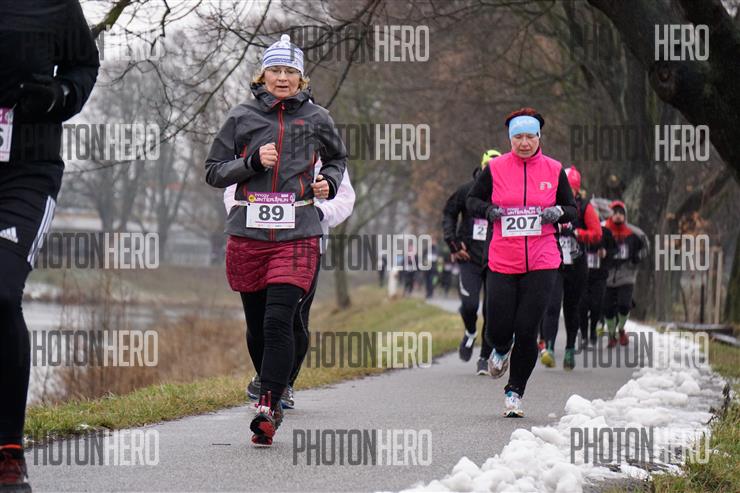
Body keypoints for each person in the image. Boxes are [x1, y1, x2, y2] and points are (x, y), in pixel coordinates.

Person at [205, 34, 347, 446]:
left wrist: (328, 182)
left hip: (298, 232)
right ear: (262, 75)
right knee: (257, 327)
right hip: (249, 234)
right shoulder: (241, 116)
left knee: (279, 318)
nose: (282, 78)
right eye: (275, 70)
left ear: (302, 78)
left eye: (290, 71)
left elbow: (337, 159)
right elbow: (213, 170)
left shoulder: (318, 118)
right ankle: (271, 385)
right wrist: (251, 162)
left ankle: (269, 405)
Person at [0, 1, 99, 489]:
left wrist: (59, 94)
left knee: (1, 293)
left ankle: (7, 451)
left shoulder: (54, 4)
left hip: (26, 171)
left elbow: (84, 64)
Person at [467, 108, 576, 417]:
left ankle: (514, 392)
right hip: (503, 259)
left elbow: (572, 208)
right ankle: (501, 348)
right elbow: (472, 200)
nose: (524, 143)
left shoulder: (554, 169)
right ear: (510, 139)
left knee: (527, 329)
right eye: (518, 137)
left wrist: (558, 212)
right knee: (499, 326)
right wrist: (489, 211)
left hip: (543, 259)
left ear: (539, 137)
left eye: (530, 136)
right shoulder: (496, 168)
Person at [224, 158, 355, 409]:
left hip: (303, 246)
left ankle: (283, 386)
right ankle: (266, 377)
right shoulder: (260, 150)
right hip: (256, 244)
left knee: (292, 318)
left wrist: (319, 212)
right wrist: (242, 214)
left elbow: (345, 199)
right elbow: (232, 191)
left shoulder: (323, 155)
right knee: (259, 320)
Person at [442, 149, 500, 375]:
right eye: (488, 169)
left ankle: (484, 357)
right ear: (482, 168)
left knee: (492, 311)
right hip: (470, 259)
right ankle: (470, 332)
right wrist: (454, 243)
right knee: (469, 305)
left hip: (497, 259)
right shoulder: (467, 190)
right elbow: (449, 213)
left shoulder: (506, 193)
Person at [538, 166, 601, 369]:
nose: (567, 191)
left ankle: (569, 349)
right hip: (555, 263)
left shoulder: (585, 207)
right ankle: (548, 348)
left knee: (572, 308)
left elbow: (597, 233)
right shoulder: (551, 203)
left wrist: (579, 233)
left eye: (571, 188)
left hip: (576, 265)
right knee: (552, 305)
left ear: (577, 189)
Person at [603, 201, 646, 348]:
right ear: (610, 215)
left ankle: (621, 329)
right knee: (608, 309)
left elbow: (646, 248)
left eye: (621, 213)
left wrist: (637, 257)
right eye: (615, 213)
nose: (618, 216)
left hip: (627, 274)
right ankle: (611, 335)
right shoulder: (603, 230)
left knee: (624, 305)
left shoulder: (635, 233)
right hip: (607, 275)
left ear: (625, 215)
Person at [579, 222, 617, 348]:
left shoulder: (605, 232)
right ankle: (584, 336)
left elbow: (615, 250)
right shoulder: (579, 230)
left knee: (596, 305)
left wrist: (606, 253)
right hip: (582, 275)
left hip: (599, 276)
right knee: (582, 306)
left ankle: (593, 330)